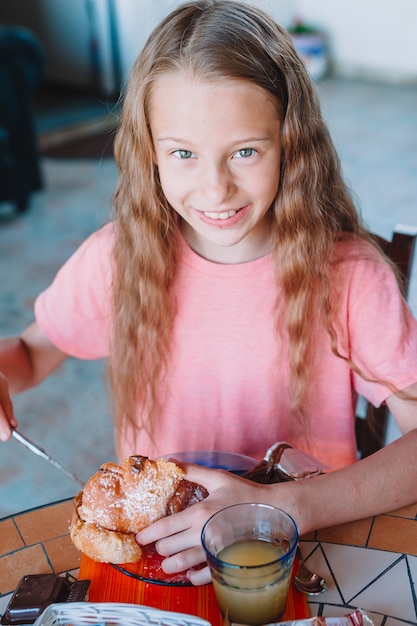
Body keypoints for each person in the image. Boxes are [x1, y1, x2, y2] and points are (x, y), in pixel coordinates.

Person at [1, 0, 417, 585]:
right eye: (184, 154)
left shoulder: (350, 278)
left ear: (289, 143)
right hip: (161, 562)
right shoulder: (119, 259)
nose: (215, 189)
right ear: (150, 152)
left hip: (303, 559)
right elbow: (29, 352)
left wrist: (292, 506)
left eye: (245, 151)